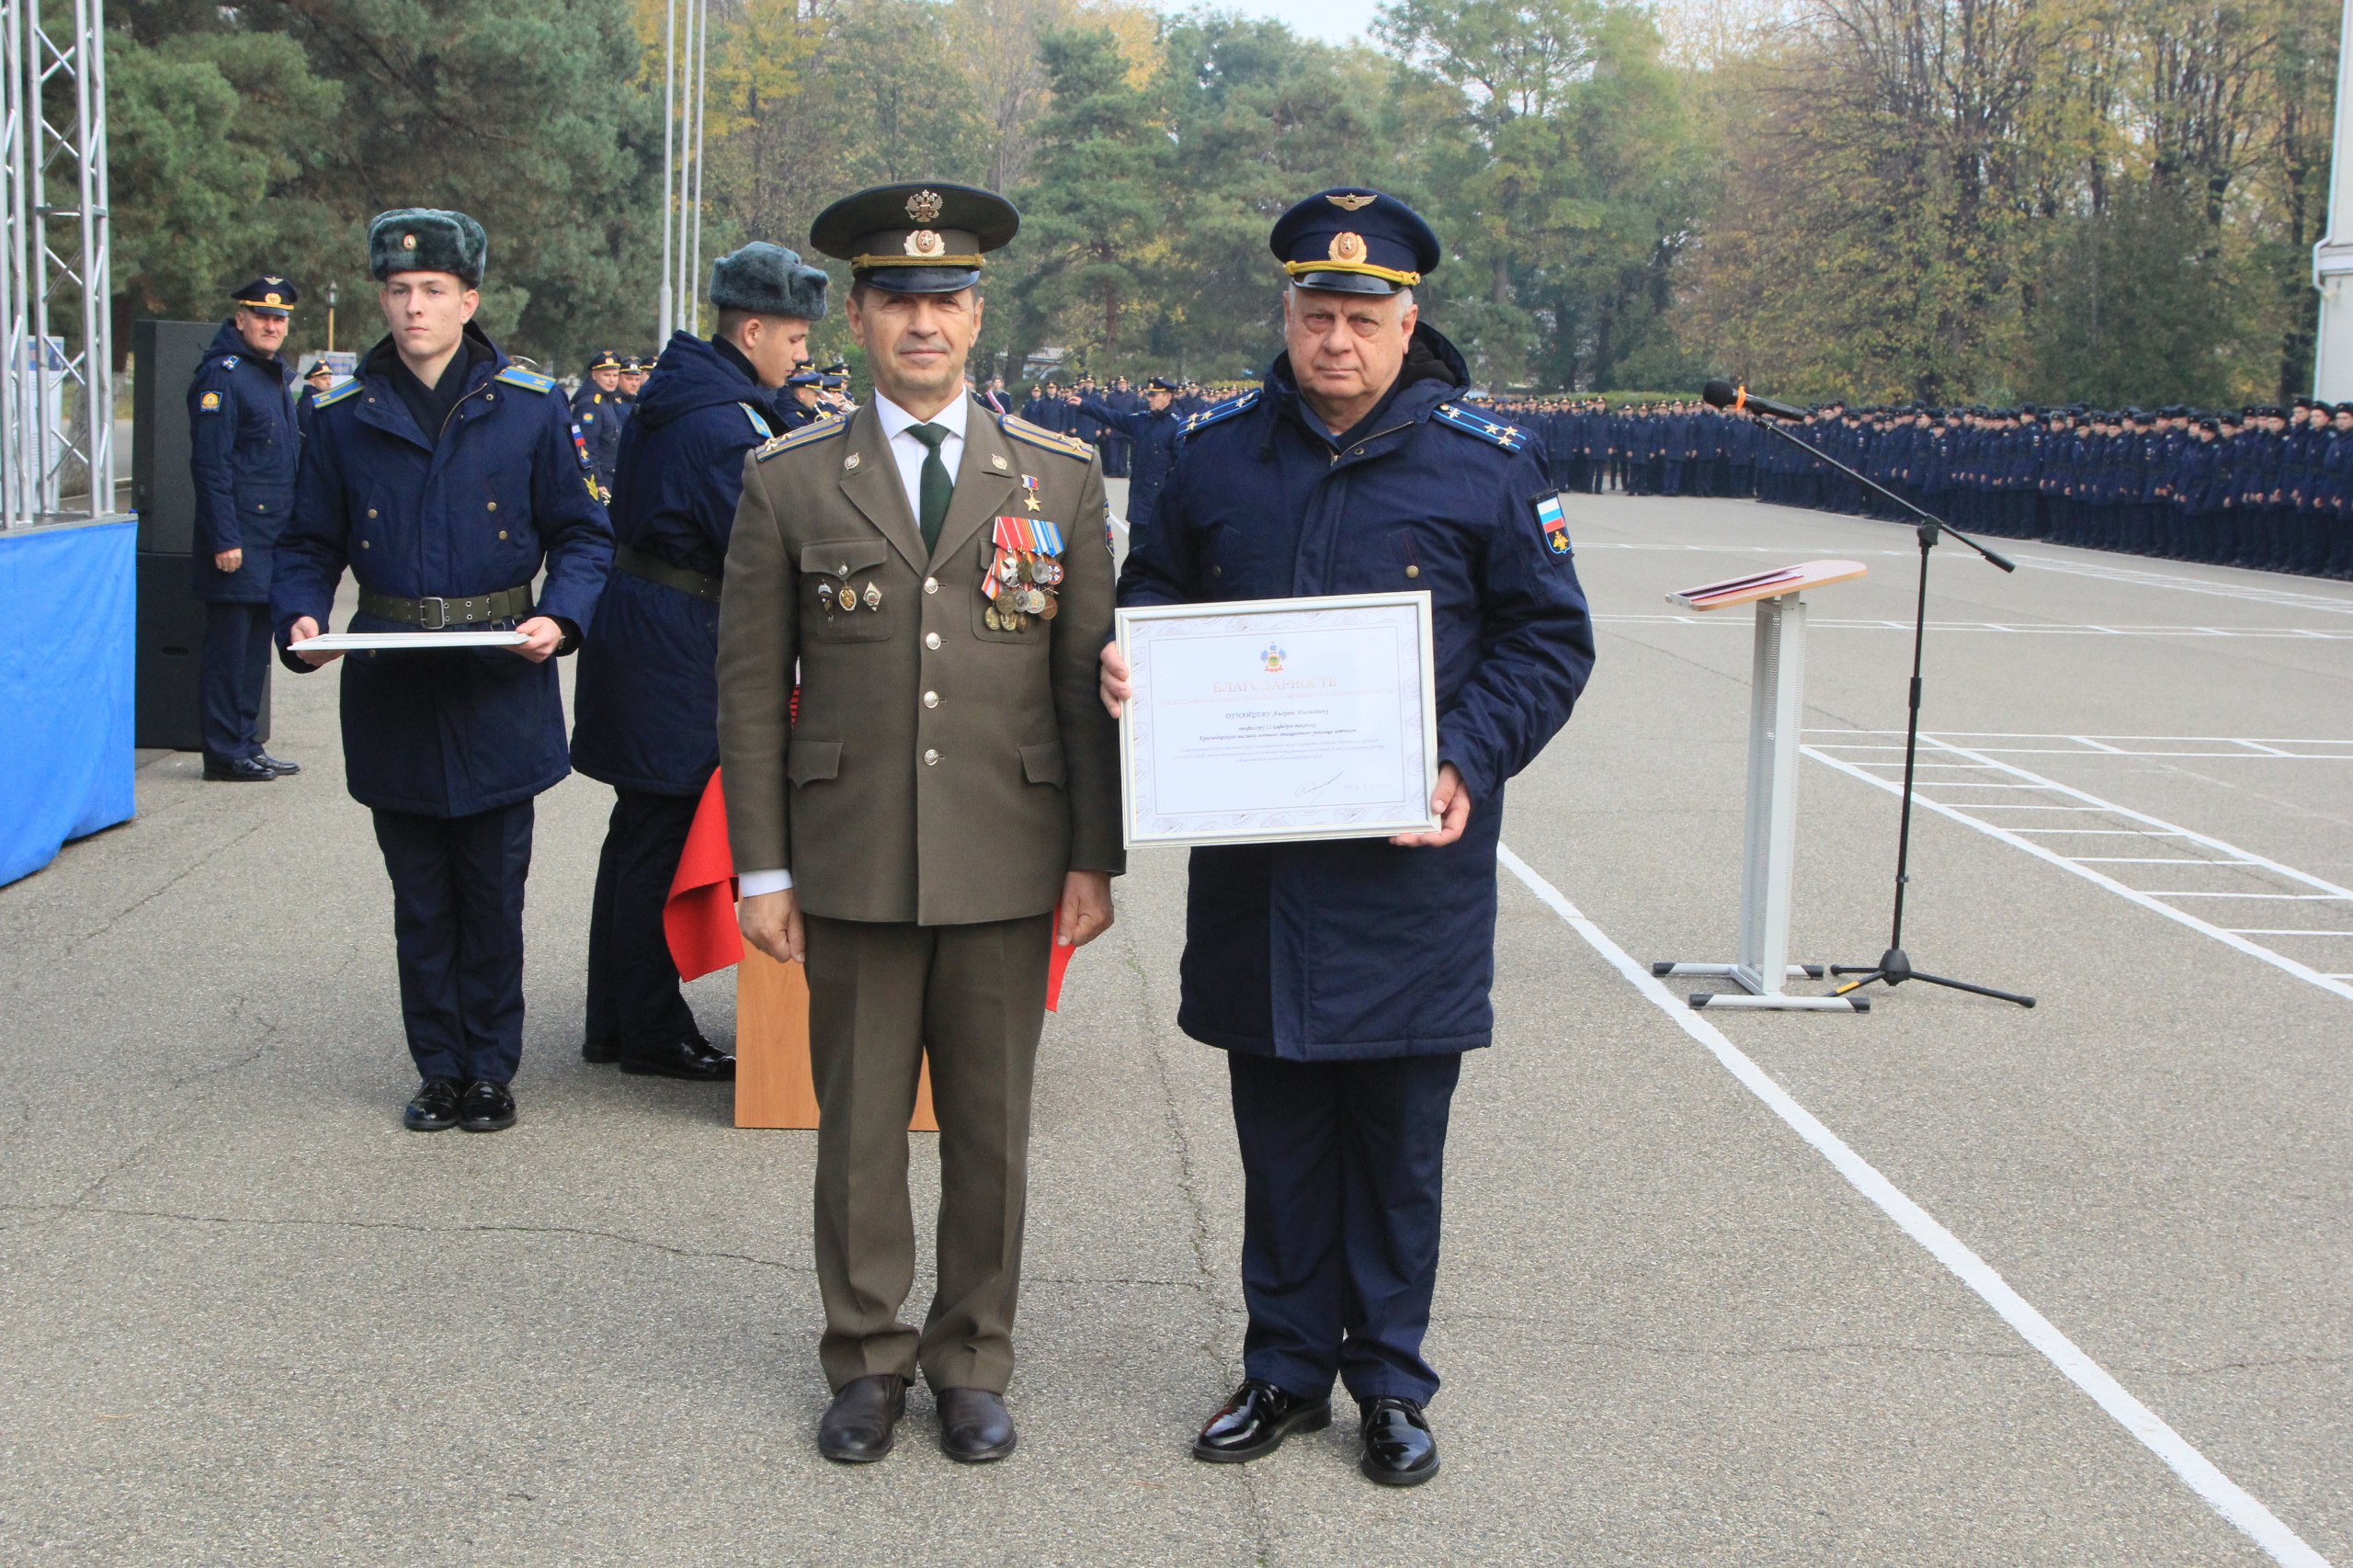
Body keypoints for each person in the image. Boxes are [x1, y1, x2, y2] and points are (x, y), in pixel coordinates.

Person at [1101, 187, 1595, 1487]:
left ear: (1408, 318)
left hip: (1408, 869)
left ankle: (1389, 1379)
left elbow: (1551, 638)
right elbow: (1151, 587)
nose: (1337, 341)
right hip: (1260, 868)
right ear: (1287, 313)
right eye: (1317, 314)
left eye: (1363, 318)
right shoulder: (1210, 455)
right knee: (1277, 1128)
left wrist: (1465, 755)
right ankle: (1280, 1368)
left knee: (1395, 1140)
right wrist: (1131, 658)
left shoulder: (1483, 465)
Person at [716, 180, 1121, 1466]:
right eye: (899, 299)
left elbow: (1083, 682)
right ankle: (865, 1357)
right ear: (858, 314)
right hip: (851, 858)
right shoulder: (788, 478)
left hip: (1008, 854)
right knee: (859, 1127)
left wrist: (1092, 858)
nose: (925, 322)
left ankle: (971, 1358)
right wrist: (762, 867)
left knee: (993, 1131)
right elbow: (747, 687)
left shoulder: (1059, 476)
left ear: (978, 314)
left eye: (946, 300)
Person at [271, 209, 612, 1135]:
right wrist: (298, 613)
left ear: (470, 299)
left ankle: (491, 1068)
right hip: (391, 678)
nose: (413, 307)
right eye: (397, 290)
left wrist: (560, 615)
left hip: (499, 675)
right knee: (420, 898)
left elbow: (583, 536)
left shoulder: (531, 406)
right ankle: (439, 1067)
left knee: (493, 895)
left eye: (431, 291)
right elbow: (306, 541)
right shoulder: (341, 416)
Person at [570, 242, 828, 1082]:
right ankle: (648, 1031)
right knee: (661, 842)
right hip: (677, 646)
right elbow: (764, 546)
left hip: (655, 634)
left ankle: (616, 1018)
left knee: (638, 836)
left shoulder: (701, 398)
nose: (801, 356)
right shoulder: (720, 424)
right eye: (792, 340)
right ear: (751, 330)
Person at [188, 277, 304, 783]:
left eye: (279, 319)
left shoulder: (269, 374)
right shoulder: (224, 376)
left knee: (254, 652)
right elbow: (211, 467)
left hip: (270, 538)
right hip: (237, 541)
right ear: (240, 319)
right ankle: (223, 750)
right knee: (229, 652)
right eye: (261, 316)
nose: (271, 325)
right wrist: (224, 538)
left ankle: (246, 741)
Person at [1069, 375, 1182, 537]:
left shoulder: (1176, 426)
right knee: (1135, 555)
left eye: (1154, 395)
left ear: (1167, 397)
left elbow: (1181, 467)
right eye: (1148, 395)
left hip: (1161, 504)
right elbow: (1114, 417)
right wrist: (1085, 406)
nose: (1149, 399)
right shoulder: (1142, 420)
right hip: (1139, 503)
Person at [573, 349, 626, 498]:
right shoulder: (591, 404)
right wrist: (596, 481)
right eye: (606, 375)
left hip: (611, 476)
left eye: (615, 375)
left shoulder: (606, 400)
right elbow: (587, 447)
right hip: (600, 483)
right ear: (594, 375)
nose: (612, 380)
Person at [295, 356, 337, 439]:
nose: (328, 382)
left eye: (330, 378)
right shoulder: (311, 403)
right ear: (312, 381)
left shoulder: (315, 399)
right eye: (324, 379)